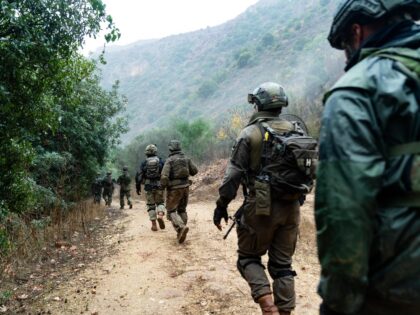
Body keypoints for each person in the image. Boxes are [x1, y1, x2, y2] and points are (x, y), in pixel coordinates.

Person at [315, 1, 420, 315]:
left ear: (356, 33)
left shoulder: (357, 90)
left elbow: (344, 210)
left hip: (399, 285)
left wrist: (338, 302)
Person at [214, 82, 312, 315]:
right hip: (292, 206)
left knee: (248, 258)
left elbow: (232, 177)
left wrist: (221, 206)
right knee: (282, 267)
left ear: (257, 104)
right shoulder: (298, 131)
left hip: (261, 206)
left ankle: (269, 309)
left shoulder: (249, 133)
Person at [161, 140, 198, 243]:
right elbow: (195, 171)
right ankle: (180, 231)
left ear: (170, 148)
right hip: (186, 187)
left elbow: (164, 176)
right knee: (182, 210)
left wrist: (163, 186)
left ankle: (181, 228)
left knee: (171, 210)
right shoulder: (186, 158)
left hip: (174, 189)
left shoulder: (169, 160)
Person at [136, 144, 166, 231]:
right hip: (159, 184)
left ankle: (154, 225)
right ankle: (160, 214)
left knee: (151, 205)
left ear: (146, 153)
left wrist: (138, 187)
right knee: (160, 203)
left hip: (148, 185)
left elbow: (139, 176)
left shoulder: (144, 163)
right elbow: (165, 173)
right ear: (156, 152)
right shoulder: (160, 161)